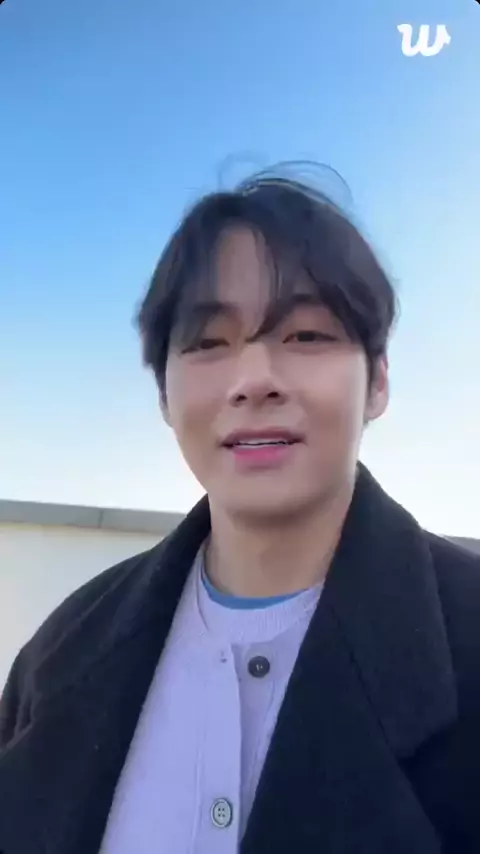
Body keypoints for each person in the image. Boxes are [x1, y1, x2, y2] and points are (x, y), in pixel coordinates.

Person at [1, 166, 480, 854]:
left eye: (306, 335)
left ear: (377, 381)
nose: (254, 380)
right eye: (207, 343)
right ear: (164, 396)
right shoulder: (59, 656)